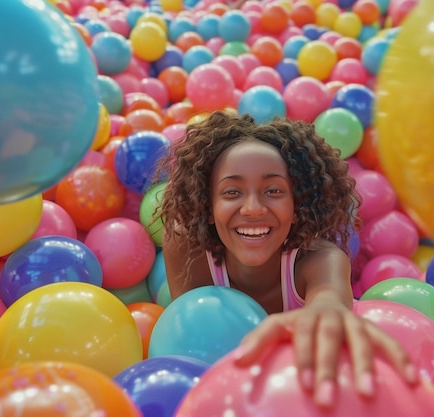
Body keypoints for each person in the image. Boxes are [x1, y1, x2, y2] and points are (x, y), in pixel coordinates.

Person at [155, 110, 417, 407]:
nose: (253, 208)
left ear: (297, 206)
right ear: (208, 206)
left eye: (273, 190)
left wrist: (330, 312)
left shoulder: (319, 260)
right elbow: (190, 338)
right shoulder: (187, 248)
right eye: (231, 192)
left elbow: (329, 302)